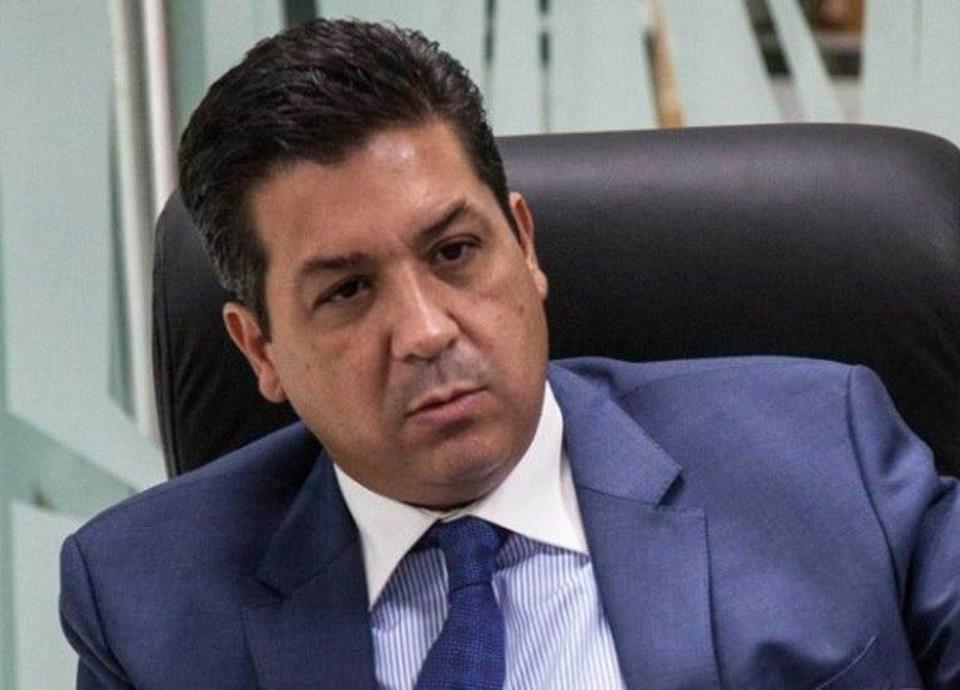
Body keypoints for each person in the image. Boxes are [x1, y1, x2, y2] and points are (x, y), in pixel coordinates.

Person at [60, 18, 959, 690]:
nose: (427, 332)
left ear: (524, 246)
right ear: (260, 348)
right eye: (347, 291)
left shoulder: (825, 453)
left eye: (455, 252)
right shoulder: (144, 602)